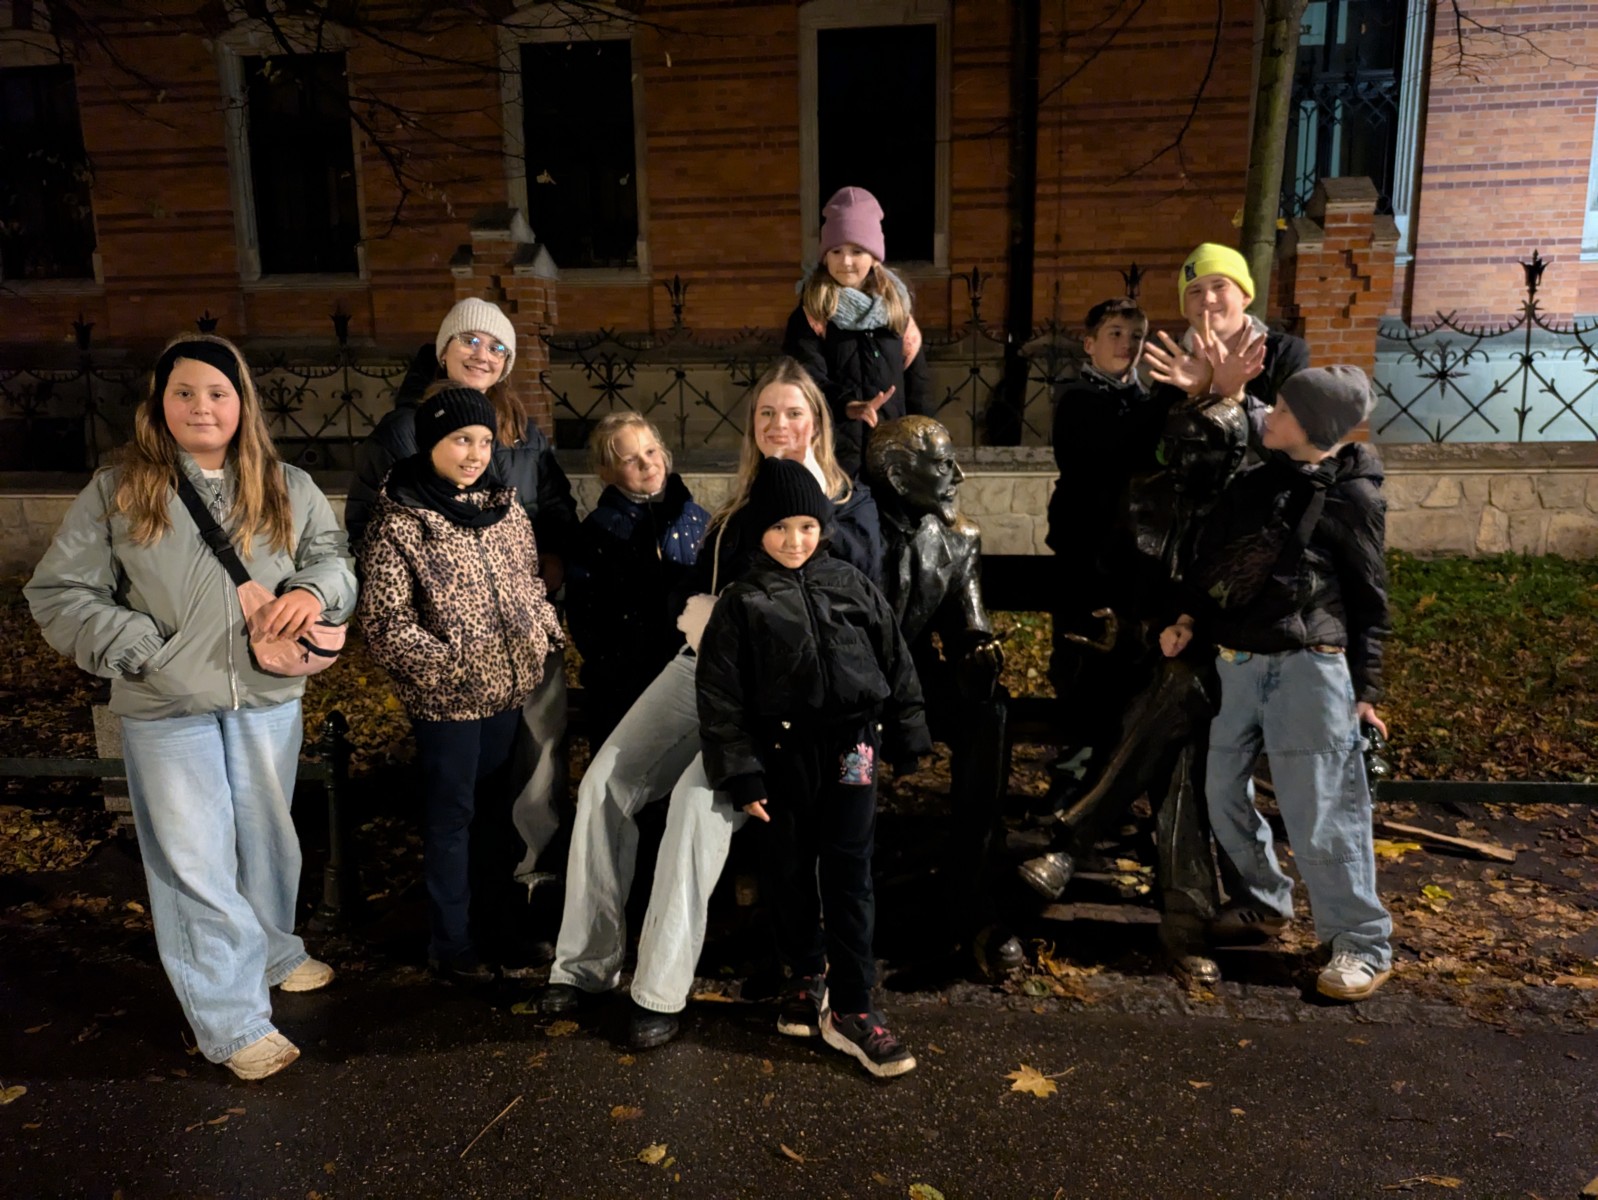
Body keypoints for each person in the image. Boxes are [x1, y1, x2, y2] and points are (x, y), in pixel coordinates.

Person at [26, 333, 357, 1080]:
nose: (201, 407)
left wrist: (313, 591)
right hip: (165, 704)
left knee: (269, 840)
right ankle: (230, 1020)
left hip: (266, 694)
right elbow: (58, 591)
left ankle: (272, 951)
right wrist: (140, 646)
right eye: (184, 392)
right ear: (160, 402)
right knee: (194, 861)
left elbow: (333, 560)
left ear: (242, 404)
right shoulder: (120, 489)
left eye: (217, 393)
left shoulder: (287, 484)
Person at [535, 358, 883, 1050]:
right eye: (766, 414)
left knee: (697, 805)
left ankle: (658, 992)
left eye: (793, 413)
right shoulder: (734, 509)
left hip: (777, 700)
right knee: (605, 783)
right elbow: (700, 588)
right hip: (700, 667)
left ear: (817, 423)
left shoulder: (846, 504)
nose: (779, 424)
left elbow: (855, 603)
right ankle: (583, 966)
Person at [1159, 365, 1393, 1001]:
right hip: (1238, 664)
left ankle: (1362, 943)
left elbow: (1370, 602)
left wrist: (1364, 693)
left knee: (1322, 814)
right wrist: (1188, 619)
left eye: (1284, 410)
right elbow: (1215, 566)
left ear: (1314, 426)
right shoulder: (1255, 484)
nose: (1268, 416)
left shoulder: (1353, 498)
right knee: (1220, 794)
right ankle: (1265, 900)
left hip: (1308, 669)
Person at [697, 456, 929, 1077]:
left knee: (850, 872)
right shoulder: (742, 602)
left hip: (853, 749)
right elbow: (720, 697)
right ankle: (804, 972)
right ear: (759, 531)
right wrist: (741, 773)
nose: (794, 540)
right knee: (789, 869)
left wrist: (909, 729)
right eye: (779, 528)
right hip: (782, 756)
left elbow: (895, 657)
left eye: (806, 526)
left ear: (823, 526)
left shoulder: (851, 584)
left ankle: (853, 1005)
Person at [347, 297, 577, 909]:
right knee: (458, 795)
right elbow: (374, 532)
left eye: (497, 346)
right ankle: (456, 924)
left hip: (519, 632)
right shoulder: (404, 429)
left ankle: (523, 882)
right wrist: (441, 651)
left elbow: (549, 507)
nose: (483, 354)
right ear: (443, 347)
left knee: (531, 760)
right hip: (451, 653)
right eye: (469, 340)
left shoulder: (521, 428)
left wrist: (546, 582)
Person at [357, 385, 565, 984]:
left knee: (496, 815)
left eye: (483, 441)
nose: (475, 454)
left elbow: (528, 583)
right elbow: (386, 623)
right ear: (430, 444)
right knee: (452, 818)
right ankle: (452, 944)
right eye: (460, 440)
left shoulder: (503, 508)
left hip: (505, 691)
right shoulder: (400, 519)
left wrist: (543, 631)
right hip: (447, 703)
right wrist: (451, 666)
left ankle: (498, 927)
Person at [862, 415, 1021, 978]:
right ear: (898, 476)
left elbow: (967, 629)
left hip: (915, 679)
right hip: (851, 683)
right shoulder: (849, 529)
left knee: (989, 714)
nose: (959, 475)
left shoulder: (959, 538)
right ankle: (832, 901)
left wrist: (979, 655)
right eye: (942, 463)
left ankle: (972, 894)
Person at [1046, 297, 1164, 762]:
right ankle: (1076, 762)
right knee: (1082, 655)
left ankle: (1113, 759)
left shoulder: (1141, 400)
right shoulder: (1077, 399)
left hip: (1132, 556)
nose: (1127, 344)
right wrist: (1168, 395)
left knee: (1126, 662)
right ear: (1090, 343)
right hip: (1085, 556)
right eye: (1115, 333)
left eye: (1136, 336)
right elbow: (1117, 447)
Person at [566, 413, 709, 746]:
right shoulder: (599, 531)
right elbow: (585, 613)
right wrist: (613, 666)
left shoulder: (697, 519)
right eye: (630, 460)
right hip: (623, 684)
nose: (646, 464)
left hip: (687, 674)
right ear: (607, 471)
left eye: (650, 451)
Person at [783, 186, 932, 478]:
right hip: (831, 457)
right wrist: (847, 405)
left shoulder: (897, 313)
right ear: (825, 256)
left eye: (857, 251)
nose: (846, 261)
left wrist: (925, 444)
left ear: (874, 256)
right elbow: (804, 379)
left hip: (892, 457)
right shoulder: (811, 313)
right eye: (836, 251)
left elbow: (919, 388)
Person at [1142, 242, 1309, 455]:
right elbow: (1155, 450)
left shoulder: (1285, 352)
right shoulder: (1175, 363)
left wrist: (1235, 397)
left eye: (1219, 286)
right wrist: (1199, 395)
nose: (1207, 299)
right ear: (1185, 309)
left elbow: (1294, 448)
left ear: (1245, 296)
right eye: (1195, 291)